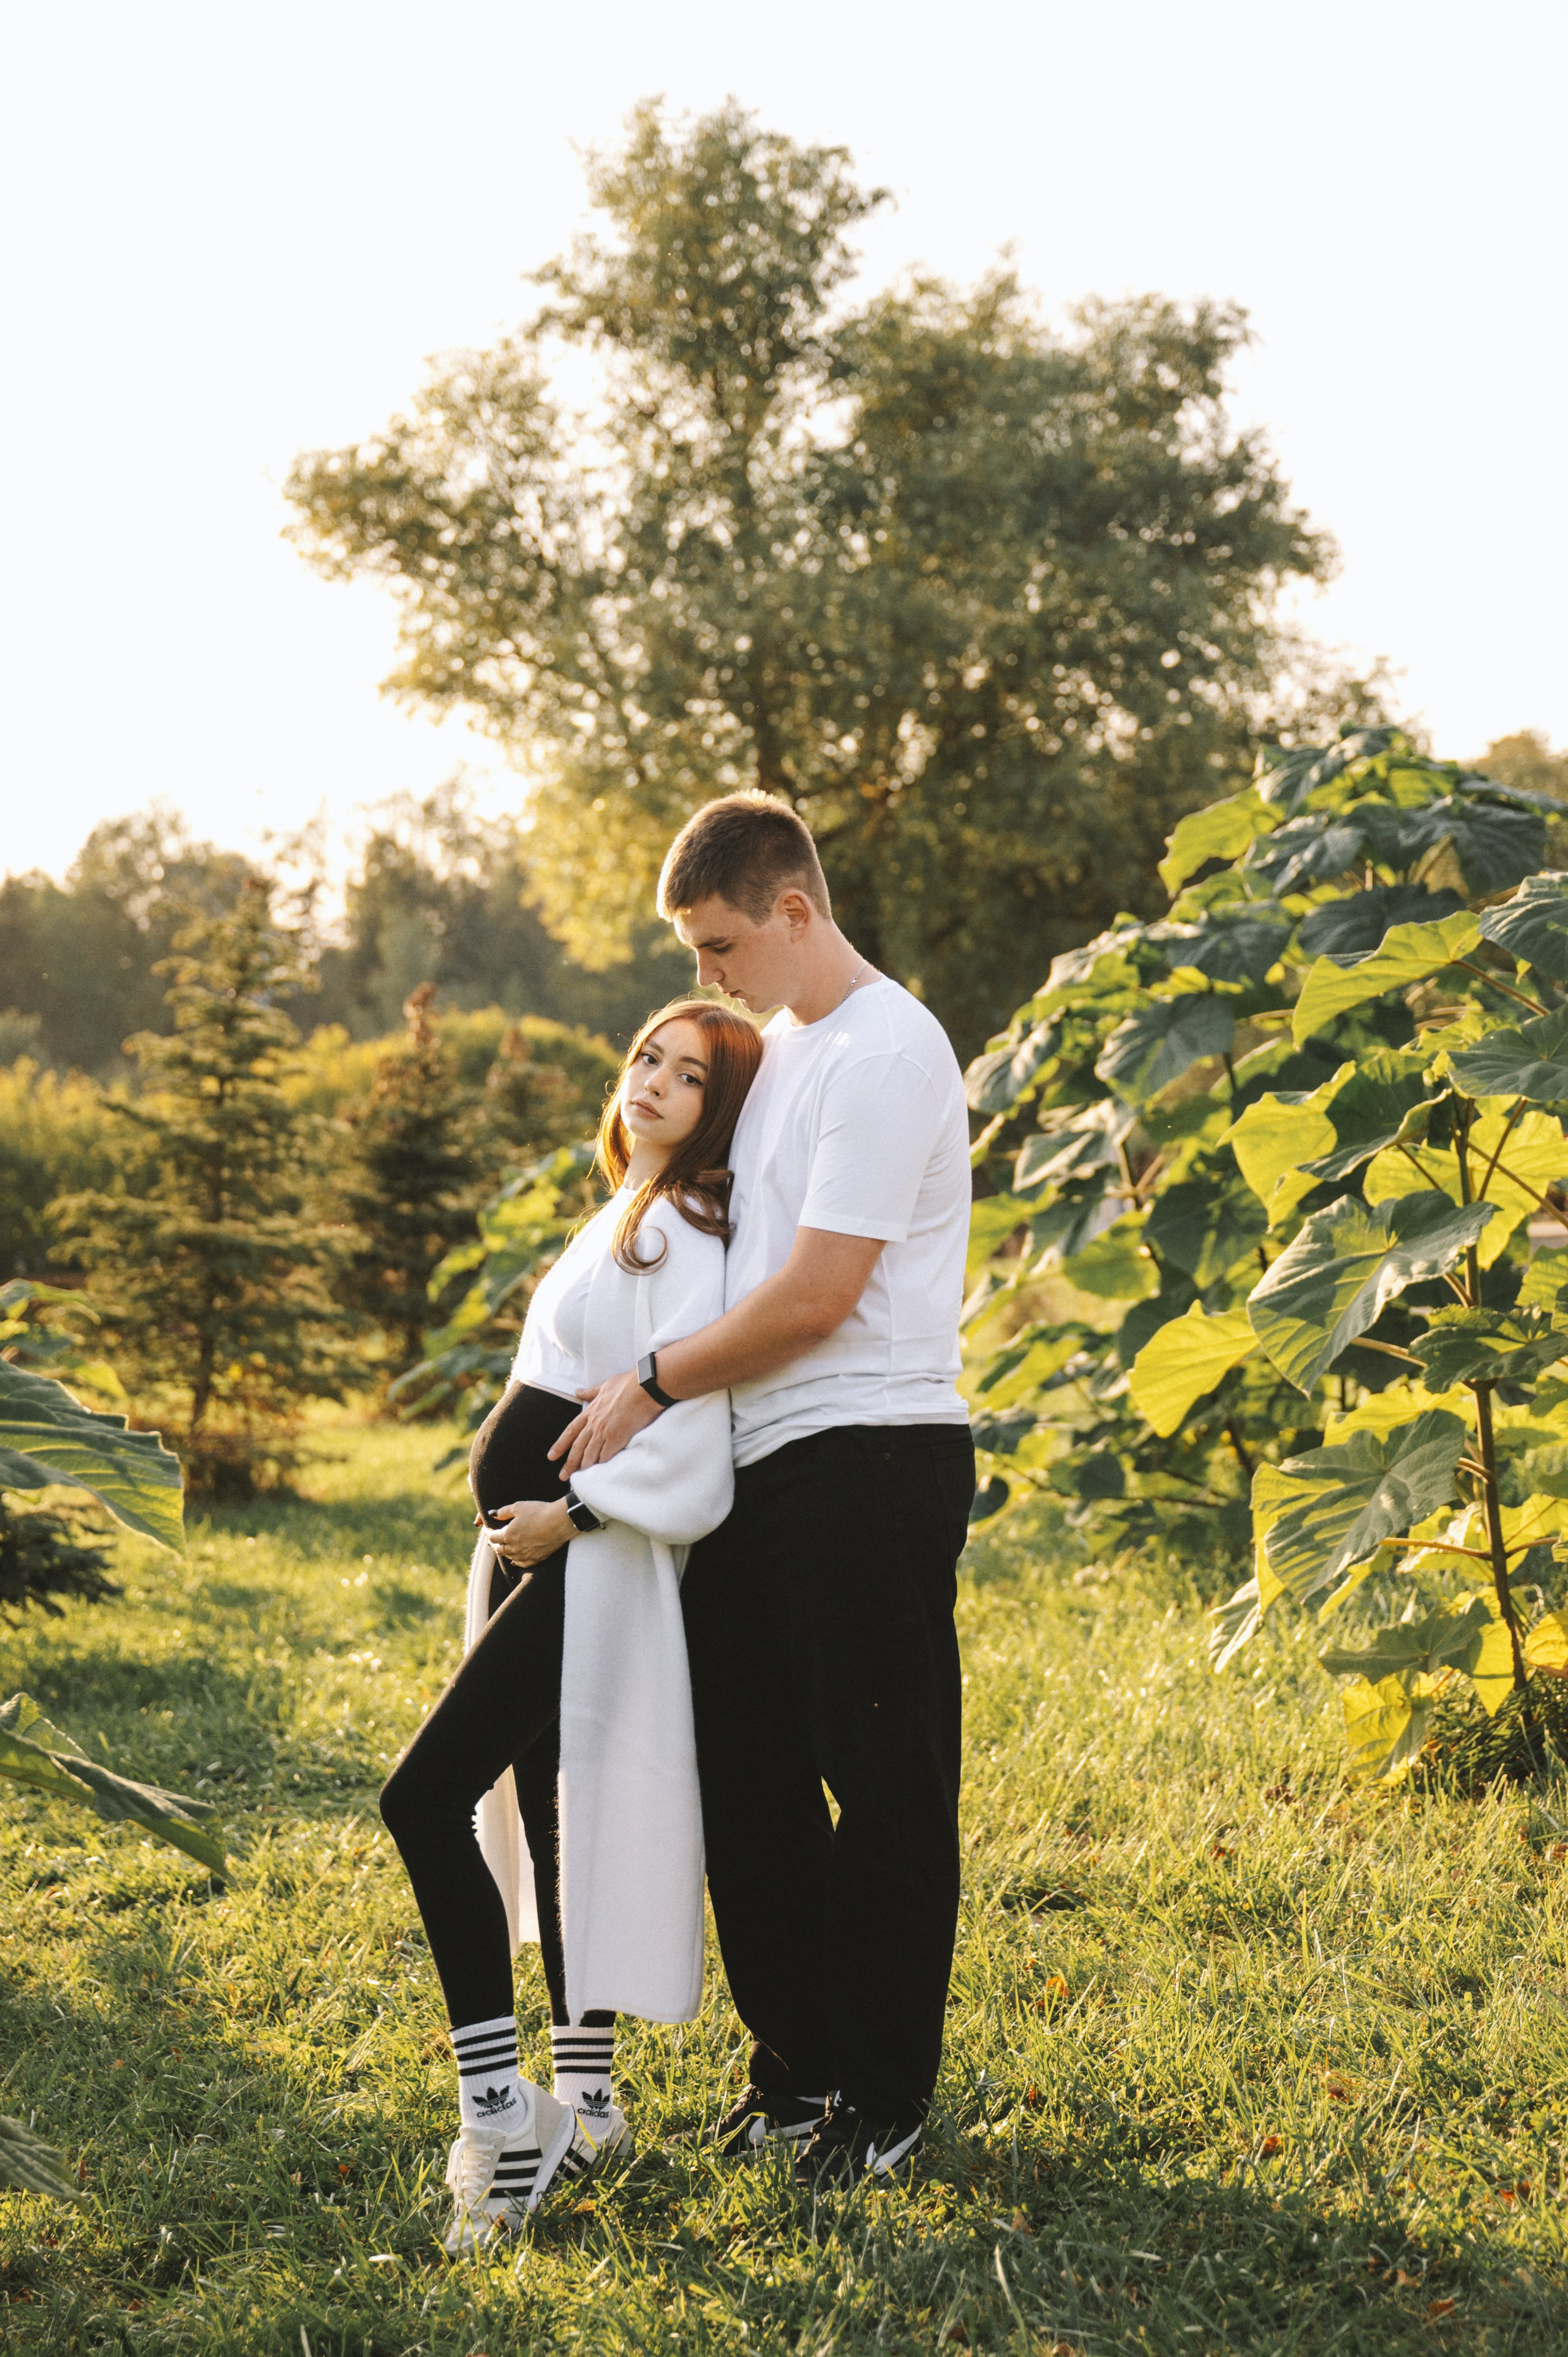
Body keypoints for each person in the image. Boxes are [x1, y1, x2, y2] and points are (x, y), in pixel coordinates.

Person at [553, 792, 975, 2185]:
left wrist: (653, 1381)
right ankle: (795, 2072)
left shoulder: (887, 1050)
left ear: (794, 910)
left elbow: (816, 1296)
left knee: (884, 1786)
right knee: (751, 1787)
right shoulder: (780, 1050)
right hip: (755, 1465)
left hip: (870, 1454)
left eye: (720, 943)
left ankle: (884, 2101)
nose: (705, 974)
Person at [380, 999, 762, 2253]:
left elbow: (695, 1439)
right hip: (538, 1556)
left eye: (688, 1075)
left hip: (583, 1564)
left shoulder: (688, 1231)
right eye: (647, 1056)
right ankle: (587, 2103)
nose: (651, 1080)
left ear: (719, 1111)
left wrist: (577, 1514)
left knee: (421, 1798)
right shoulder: (628, 1211)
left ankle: (501, 2117)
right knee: (553, 1811)